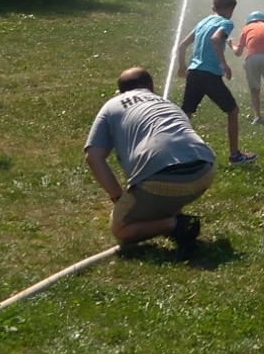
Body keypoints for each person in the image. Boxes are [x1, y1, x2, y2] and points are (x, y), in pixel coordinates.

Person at [85, 67, 216, 255]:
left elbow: (93, 157)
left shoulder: (112, 105)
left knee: (120, 229)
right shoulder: (166, 103)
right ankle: (173, 215)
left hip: (160, 179)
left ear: (120, 91)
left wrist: (118, 197)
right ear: (151, 87)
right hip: (205, 170)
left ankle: (174, 224)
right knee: (169, 187)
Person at [173, 0, 256, 165]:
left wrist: (182, 66)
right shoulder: (226, 23)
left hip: (194, 73)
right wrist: (224, 64)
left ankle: (169, 151)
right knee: (232, 111)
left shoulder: (203, 22)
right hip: (209, 75)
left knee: (185, 114)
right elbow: (216, 39)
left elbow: (181, 46)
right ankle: (235, 155)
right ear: (230, 9)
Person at [235, 9, 264, 124]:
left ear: (249, 21)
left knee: (254, 89)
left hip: (252, 58)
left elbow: (238, 52)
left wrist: (231, 44)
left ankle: (258, 117)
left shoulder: (246, 29)